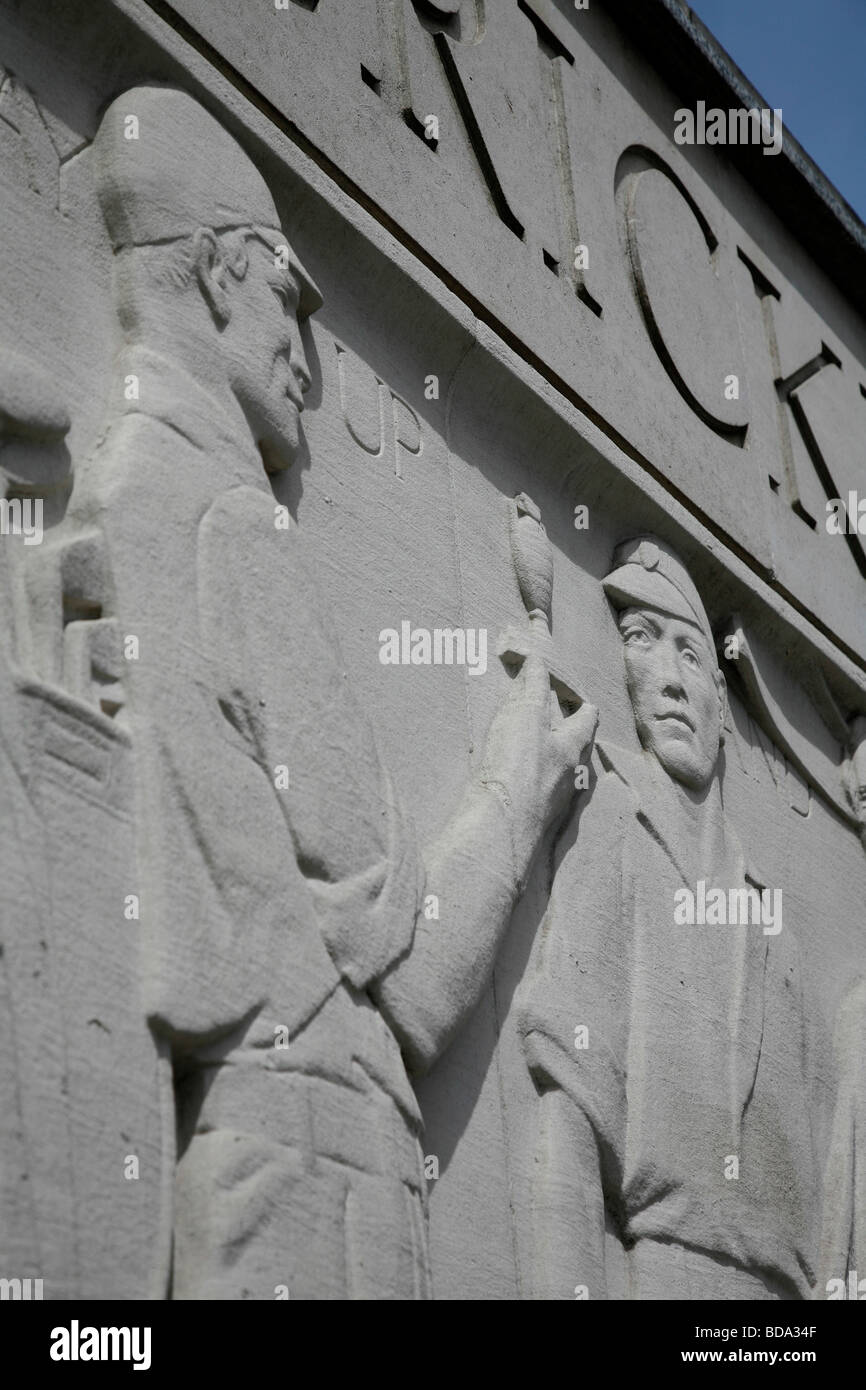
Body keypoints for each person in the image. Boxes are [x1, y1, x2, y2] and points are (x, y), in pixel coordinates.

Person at [66, 84, 596, 1299]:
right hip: (315, 1161)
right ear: (211, 276)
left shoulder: (127, 493)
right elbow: (407, 977)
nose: (306, 356)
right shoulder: (218, 522)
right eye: (287, 299)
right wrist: (524, 783)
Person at [518, 536, 817, 1300]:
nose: (672, 682)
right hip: (673, 1267)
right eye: (640, 643)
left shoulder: (767, 913)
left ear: (721, 696)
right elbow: (568, 1100)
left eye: (689, 654)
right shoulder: (616, 820)